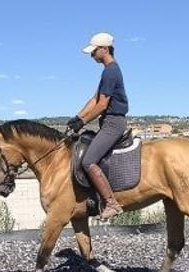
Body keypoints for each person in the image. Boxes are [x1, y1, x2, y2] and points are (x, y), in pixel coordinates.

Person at [67, 32, 129, 220]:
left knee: (88, 161)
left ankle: (111, 202)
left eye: (94, 51)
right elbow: (95, 99)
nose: (92, 55)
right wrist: (77, 117)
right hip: (108, 122)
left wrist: (83, 122)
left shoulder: (111, 71)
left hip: (113, 123)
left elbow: (102, 105)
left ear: (105, 49)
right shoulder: (108, 71)